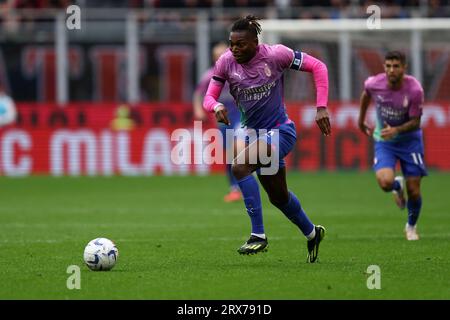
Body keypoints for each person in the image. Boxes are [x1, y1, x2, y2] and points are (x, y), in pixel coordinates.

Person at [203, 15, 331, 262]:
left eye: (240, 44)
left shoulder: (276, 55)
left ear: (254, 42)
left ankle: (257, 235)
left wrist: (321, 106)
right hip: (255, 135)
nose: (234, 49)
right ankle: (312, 232)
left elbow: (319, 67)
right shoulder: (226, 62)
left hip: (281, 131)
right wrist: (216, 105)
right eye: (232, 44)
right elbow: (209, 96)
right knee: (279, 197)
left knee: (240, 166)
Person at [358, 51, 426, 241]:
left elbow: (416, 122)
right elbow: (366, 96)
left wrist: (396, 130)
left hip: (410, 141)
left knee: (414, 190)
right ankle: (397, 185)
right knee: (385, 182)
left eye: (396, 66)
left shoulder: (415, 90)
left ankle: (411, 227)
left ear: (404, 68)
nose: (391, 70)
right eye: (388, 66)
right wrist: (361, 120)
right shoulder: (374, 83)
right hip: (385, 141)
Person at [193, 42, 242, 202]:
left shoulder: (239, 71)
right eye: (218, 55)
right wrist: (199, 110)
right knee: (230, 152)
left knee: (239, 147)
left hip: (241, 114)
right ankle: (235, 187)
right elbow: (198, 93)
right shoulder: (210, 75)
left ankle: (245, 182)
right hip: (223, 115)